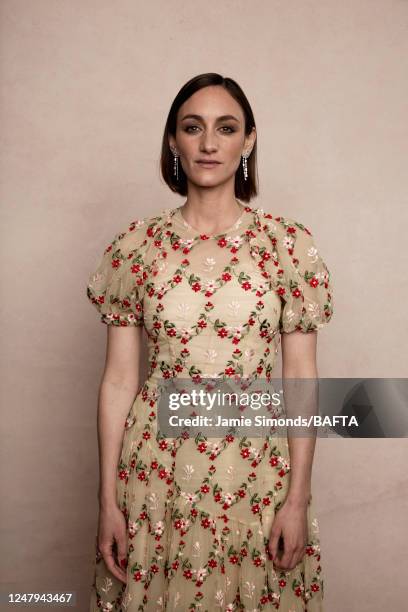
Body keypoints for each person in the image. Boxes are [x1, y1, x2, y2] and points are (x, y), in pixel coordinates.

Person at [86, 72, 334, 612]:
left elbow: (300, 379)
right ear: (173, 141)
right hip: (157, 471)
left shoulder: (286, 246)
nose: (208, 143)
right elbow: (119, 380)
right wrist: (107, 500)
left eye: (226, 128)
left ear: (247, 141)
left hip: (256, 472)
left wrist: (297, 496)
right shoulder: (136, 247)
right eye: (192, 127)